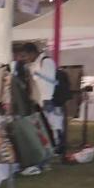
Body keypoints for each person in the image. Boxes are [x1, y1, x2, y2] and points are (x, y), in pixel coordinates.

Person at [19, 43, 59, 175]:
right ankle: (45, 158)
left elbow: (48, 83)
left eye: (25, 56)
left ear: (32, 53)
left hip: (46, 102)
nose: (24, 59)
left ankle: (48, 159)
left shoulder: (46, 62)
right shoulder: (34, 64)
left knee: (48, 130)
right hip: (39, 102)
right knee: (43, 130)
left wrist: (46, 101)